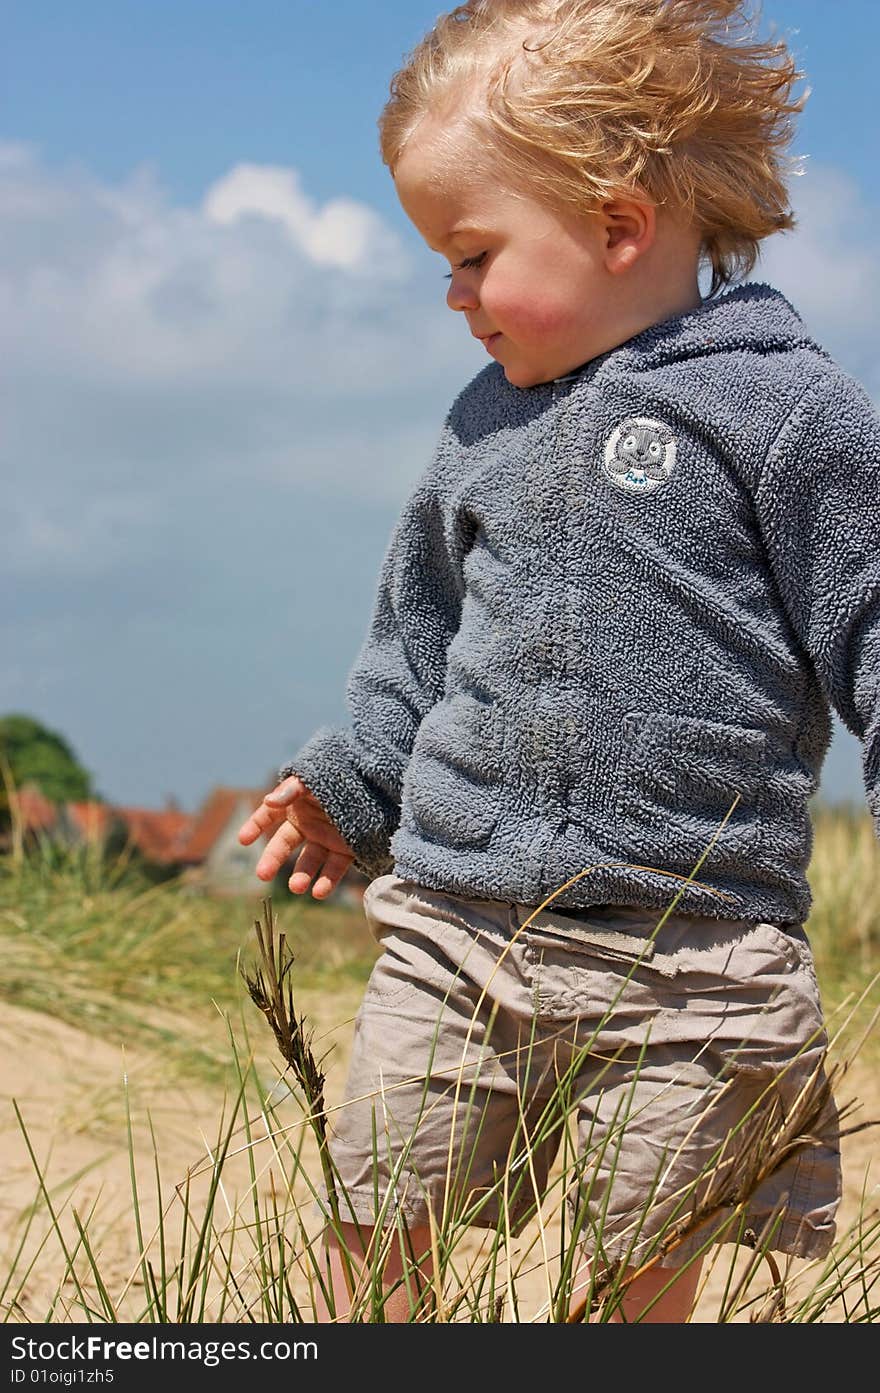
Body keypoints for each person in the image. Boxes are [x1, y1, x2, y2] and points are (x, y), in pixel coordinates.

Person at [238, 0, 879, 1323]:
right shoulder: (483, 425)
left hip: (696, 954)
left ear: (617, 224)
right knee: (373, 1228)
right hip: (462, 928)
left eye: (470, 253)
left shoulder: (784, 411)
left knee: (637, 1283)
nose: (453, 294)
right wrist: (349, 782)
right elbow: (417, 637)